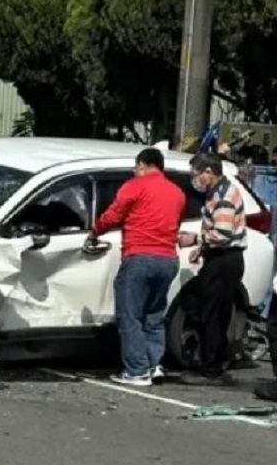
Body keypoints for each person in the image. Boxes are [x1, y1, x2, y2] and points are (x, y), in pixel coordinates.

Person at [89, 148, 186, 387]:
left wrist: (94, 231)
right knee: (154, 315)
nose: (134, 171)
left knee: (130, 316)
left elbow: (113, 216)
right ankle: (154, 366)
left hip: (139, 256)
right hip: (168, 260)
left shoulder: (135, 186)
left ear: (143, 165)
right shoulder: (178, 193)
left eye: (135, 167)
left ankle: (136, 371)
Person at [177, 152, 247, 386]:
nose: (194, 179)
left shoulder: (225, 195)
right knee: (208, 309)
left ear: (209, 172)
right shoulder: (215, 193)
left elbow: (223, 234)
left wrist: (196, 240)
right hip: (219, 258)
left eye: (196, 174)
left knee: (214, 314)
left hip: (225, 260)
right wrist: (204, 249)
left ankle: (212, 369)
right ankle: (212, 360)